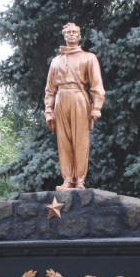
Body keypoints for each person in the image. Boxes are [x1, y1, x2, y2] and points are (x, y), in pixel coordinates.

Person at [44, 22, 105, 190]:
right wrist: (48, 110)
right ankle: (68, 179)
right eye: (68, 32)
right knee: (63, 141)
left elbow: (96, 84)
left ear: (79, 36)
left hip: (78, 97)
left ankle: (80, 180)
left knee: (80, 140)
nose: (71, 34)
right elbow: (50, 89)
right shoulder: (56, 61)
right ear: (64, 35)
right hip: (60, 99)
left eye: (74, 32)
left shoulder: (88, 57)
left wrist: (97, 106)